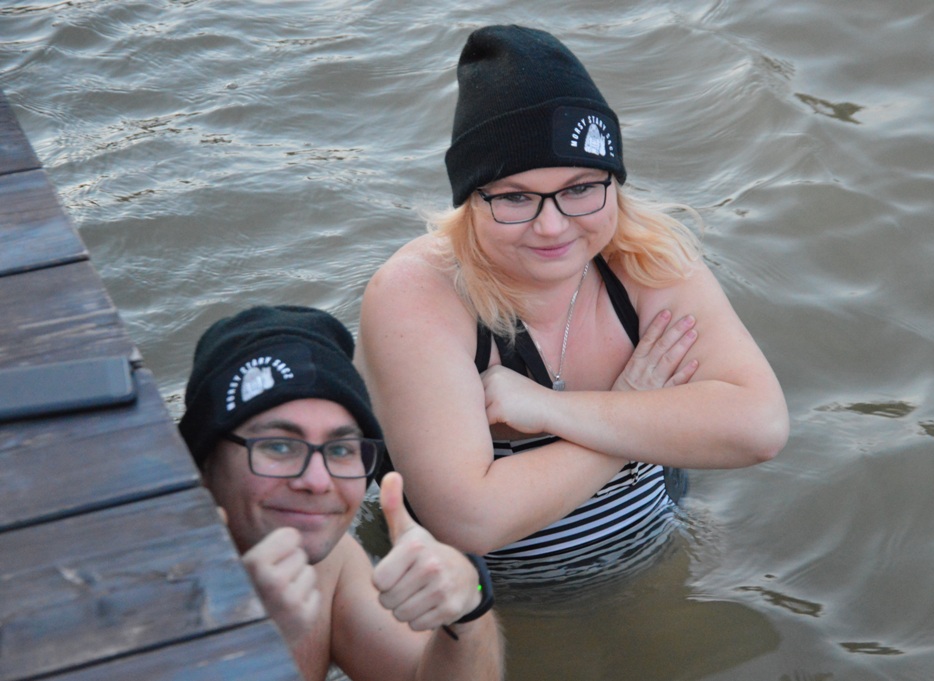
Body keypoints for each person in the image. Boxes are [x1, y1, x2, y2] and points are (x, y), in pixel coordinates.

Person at [355, 25, 789, 584]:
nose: (553, 226)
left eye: (581, 188)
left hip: (654, 554)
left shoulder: (646, 260)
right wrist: (632, 415)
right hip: (486, 601)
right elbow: (470, 519)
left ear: (613, 182)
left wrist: (551, 411)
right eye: (516, 197)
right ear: (470, 201)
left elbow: (760, 427)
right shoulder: (418, 295)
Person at [177, 305, 503, 681]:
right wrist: (249, 643)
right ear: (203, 464)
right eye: (279, 446)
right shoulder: (147, 586)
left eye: (341, 450)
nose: (318, 481)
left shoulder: (331, 564)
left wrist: (471, 597)